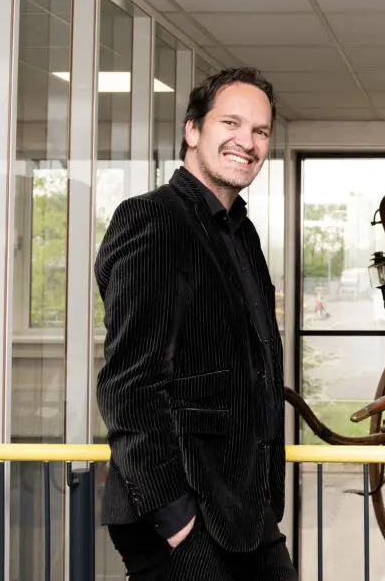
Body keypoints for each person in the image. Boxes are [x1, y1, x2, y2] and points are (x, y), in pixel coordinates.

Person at [95, 67, 295, 580]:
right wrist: (176, 517)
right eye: (231, 123)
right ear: (192, 130)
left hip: (242, 507)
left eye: (260, 131)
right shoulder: (154, 219)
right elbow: (130, 384)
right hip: (184, 513)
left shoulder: (241, 234)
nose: (247, 142)